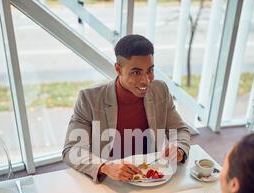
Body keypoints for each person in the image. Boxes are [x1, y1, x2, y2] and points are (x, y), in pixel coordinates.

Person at [62, 34, 191, 183]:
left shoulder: (160, 90)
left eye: (150, 70)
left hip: (148, 173)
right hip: (110, 179)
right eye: (136, 72)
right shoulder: (89, 99)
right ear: (118, 69)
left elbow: (180, 130)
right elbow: (71, 150)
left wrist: (179, 147)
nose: (146, 80)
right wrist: (106, 167)